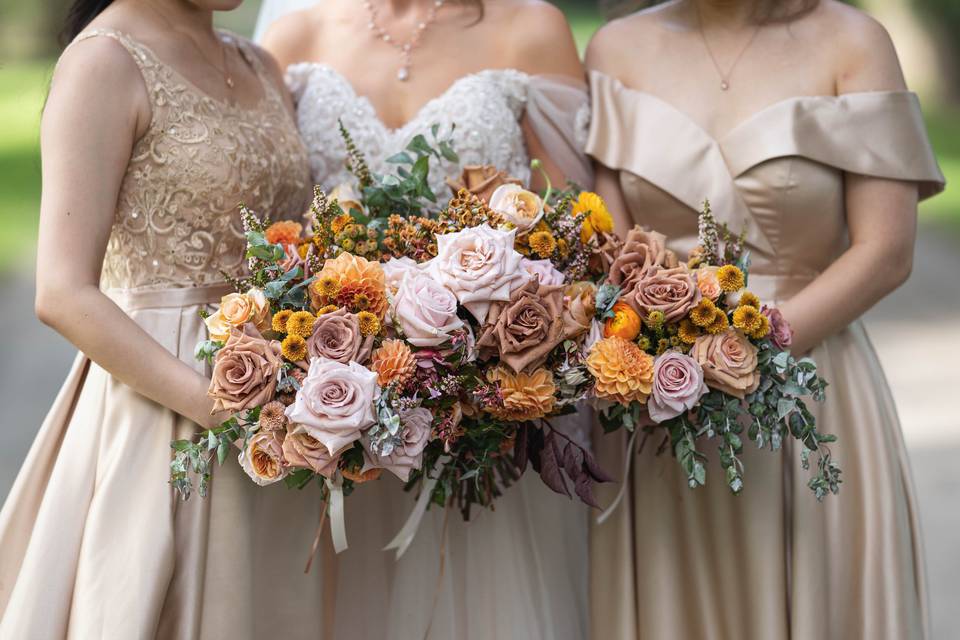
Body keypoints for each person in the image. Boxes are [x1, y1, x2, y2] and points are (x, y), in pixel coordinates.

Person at [585, 0, 944, 637]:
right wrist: (668, 358)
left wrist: (752, 348)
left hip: (811, 384)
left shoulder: (853, 43)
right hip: (661, 404)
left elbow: (887, 251)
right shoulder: (617, 48)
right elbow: (614, 256)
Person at [257, 1, 594, 637]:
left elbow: (574, 234)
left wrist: (484, 360)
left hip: (496, 404)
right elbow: (277, 226)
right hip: (341, 415)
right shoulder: (296, 35)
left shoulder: (529, 26)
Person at [0, 1, 325, 637]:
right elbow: (62, 292)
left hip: (284, 415)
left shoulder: (260, 63)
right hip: (160, 410)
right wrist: (217, 408)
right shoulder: (103, 63)